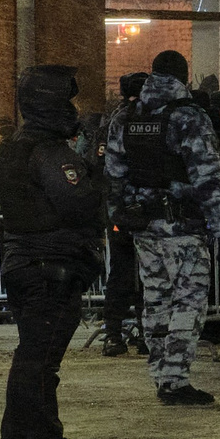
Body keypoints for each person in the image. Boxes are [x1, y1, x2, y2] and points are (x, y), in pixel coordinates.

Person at [0, 66, 105, 439]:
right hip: (52, 265)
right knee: (43, 360)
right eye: (66, 100)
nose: (72, 109)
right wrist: (100, 185)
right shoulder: (49, 152)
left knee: (30, 354)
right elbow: (78, 203)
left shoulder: (11, 147)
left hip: (23, 262)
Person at [105, 48, 220, 405]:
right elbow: (207, 178)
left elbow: (114, 174)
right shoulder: (188, 117)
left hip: (144, 226)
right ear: (182, 77)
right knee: (188, 301)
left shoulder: (125, 117)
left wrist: (119, 216)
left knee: (156, 300)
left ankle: (161, 374)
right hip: (183, 226)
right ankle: (175, 379)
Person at [99, 72, 147, 356]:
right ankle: (142, 331)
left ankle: (114, 333)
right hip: (137, 209)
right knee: (146, 273)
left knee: (120, 272)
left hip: (117, 209)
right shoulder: (139, 119)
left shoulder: (112, 121)